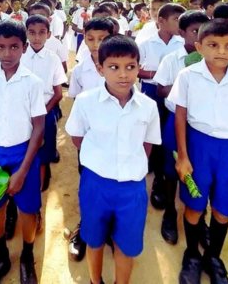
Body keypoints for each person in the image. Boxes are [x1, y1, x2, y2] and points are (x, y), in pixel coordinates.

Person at [168, 19, 228, 284]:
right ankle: (192, 255)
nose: (221, 51)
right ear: (199, 46)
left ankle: (213, 256)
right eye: (213, 45)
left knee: (223, 209)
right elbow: (180, 116)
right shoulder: (188, 76)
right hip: (198, 146)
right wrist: (184, 156)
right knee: (194, 205)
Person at [66, 35, 161, 284]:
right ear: (100, 69)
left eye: (131, 67)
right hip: (95, 184)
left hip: (132, 187)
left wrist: (130, 163)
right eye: (114, 67)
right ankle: (95, 280)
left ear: (139, 68)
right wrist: (100, 157)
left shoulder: (148, 107)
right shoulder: (86, 102)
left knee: (127, 244)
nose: (123, 75)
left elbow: (147, 144)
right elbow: (77, 136)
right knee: (94, 239)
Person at [0, 20, 46, 283]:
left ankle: (27, 256)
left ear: (24, 48)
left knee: (27, 210)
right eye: (1, 47)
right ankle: (0, 256)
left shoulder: (32, 83)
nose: (7, 53)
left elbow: (39, 128)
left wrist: (24, 171)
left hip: (23, 155)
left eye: (14, 47)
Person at [153, 10, 209, 245]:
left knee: (201, 169)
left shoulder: (213, 60)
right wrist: (184, 87)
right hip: (176, 118)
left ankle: (200, 215)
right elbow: (160, 89)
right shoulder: (171, 59)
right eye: (195, 31)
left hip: (203, 124)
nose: (200, 36)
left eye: (204, 31)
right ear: (182, 32)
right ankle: (170, 212)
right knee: (171, 167)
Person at [67, 18, 115, 262]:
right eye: (90, 38)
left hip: (116, 140)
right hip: (88, 140)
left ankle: (111, 228)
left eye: (102, 39)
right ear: (83, 38)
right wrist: (81, 142)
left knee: (113, 181)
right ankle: (86, 228)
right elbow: (76, 106)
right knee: (89, 182)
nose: (96, 45)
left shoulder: (120, 66)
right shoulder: (79, 70)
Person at [138, 3, 185, 210]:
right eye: (176, 19)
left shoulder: (182, 44)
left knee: (173, 135)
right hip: (153, 93)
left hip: (177, 96)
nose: (179, 24)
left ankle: (172, 173)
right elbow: (135, 70)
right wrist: (158, 75)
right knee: (154, 135)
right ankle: (158, 178)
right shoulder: (146, 43)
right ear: (161, 20)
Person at [22, 15, 67, 194]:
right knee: (24, 148)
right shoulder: (21, 56)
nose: (37, 38)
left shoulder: (53, 59)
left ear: (49, 35)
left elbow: (57, 94)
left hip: (46, 112)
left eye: (41, 33)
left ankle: (39, 185)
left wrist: (41, 113)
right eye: (32, 33)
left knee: (43, 150)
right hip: (22, 113)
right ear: (26, 33)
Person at [28, 3, 68, 73]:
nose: (37, 19)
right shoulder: (22, 43)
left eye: (41, 16)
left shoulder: (56, 44)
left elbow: (63, 69)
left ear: (49, 19)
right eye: (33, 16)